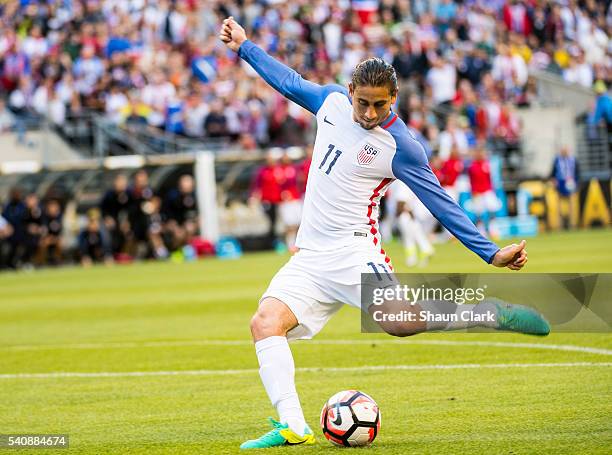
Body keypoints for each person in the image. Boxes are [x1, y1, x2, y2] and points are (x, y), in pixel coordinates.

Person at [219, 17, 547, 450]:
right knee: (264, 323)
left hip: (356, 251)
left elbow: (439, 201)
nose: (370, 113)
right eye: (363, 103)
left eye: (380, 105)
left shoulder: (402, 147)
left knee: (400, 323)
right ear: (350, 92)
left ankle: (488, 312)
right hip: (311, 256)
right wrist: (245, 46)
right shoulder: (331, 102)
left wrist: (489, 253)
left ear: (394, 98)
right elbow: (287, 80)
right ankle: (294, 426)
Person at [550, 145, 580, 230]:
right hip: (560, 182)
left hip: (570, 182)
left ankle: (571, 224)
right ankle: (560, 225)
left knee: (571, 205)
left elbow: (577, 172)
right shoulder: (557, 160)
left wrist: (576, 183)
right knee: (559, 206)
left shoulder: (573, 160)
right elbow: (553, 172)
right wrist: (554, 181)